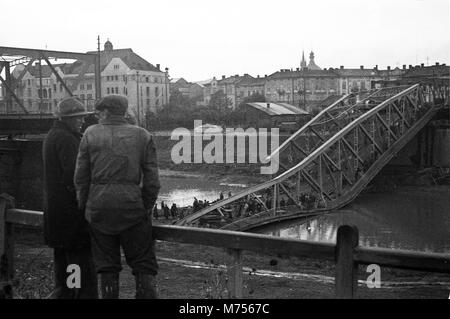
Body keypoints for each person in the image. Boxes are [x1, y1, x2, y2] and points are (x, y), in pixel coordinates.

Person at [74, 95, 160, 299]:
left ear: (104, 112)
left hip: (99, 209)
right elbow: (152, 181)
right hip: (132, 208)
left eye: (97, 113)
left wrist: (85, 206)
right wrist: (144, 206)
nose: (96, 117)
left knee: (107, 267)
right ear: (124, 111)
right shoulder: (142, 135)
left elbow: (81, 177)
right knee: (143, 265)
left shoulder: (90, 134)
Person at [42, 97, 98, 299]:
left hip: (57, 218)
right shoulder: (67, 139)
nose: (81, 121)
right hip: (72, 220)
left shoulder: (53, 135)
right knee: (81, 276)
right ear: (65, 118)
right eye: (77, 118)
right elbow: (74, 178)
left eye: (82, 117)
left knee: (65, 275)